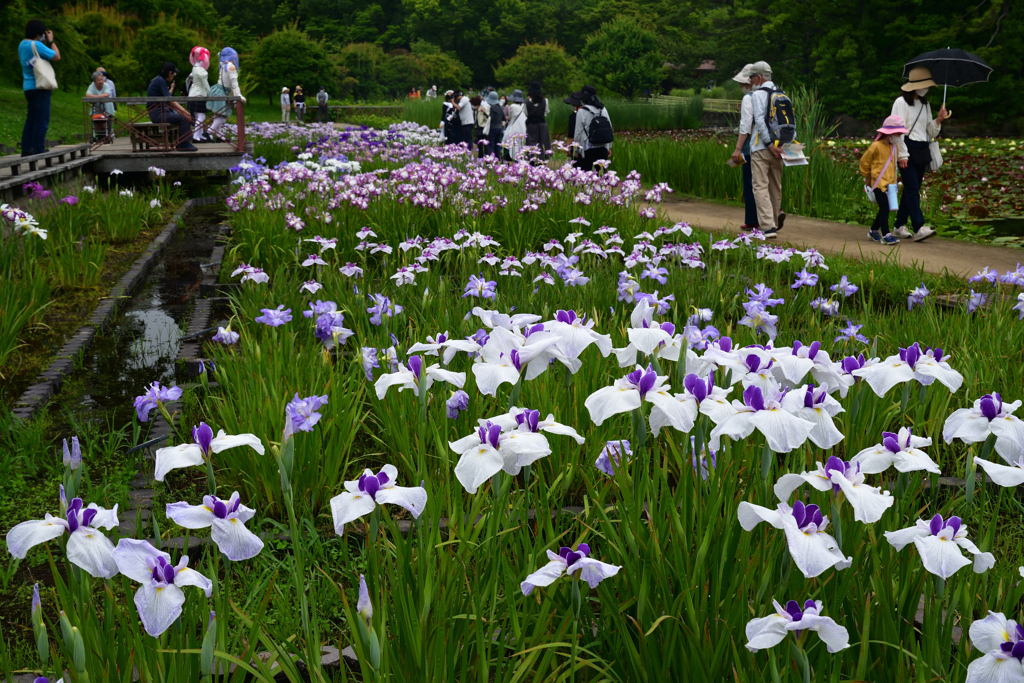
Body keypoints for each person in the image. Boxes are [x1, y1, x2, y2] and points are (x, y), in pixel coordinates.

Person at [890, 67, 949, 243]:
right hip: (906, 147)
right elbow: (896, 131)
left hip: (922, 149)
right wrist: (901, 156)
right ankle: (918, 227)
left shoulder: (925, 104)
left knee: (912, 189)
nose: (926, 89)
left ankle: (898, 226)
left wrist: (938, 119)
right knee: (912, 188)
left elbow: (930, 131)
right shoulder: (900, 102)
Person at [748, 61, 784, 238]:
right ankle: (775, 223)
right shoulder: (782, 94)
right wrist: (780, 146)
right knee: (775, 186)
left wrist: (769, 144)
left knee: (760, 186)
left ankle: (767, 227)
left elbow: (760, 122)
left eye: (752, 77)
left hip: (762, 148)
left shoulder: (757, 95)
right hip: (780, 147)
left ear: (759, 77)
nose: (751, 80)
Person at [860, 115, 908, 246]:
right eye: (898, 133)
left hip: (889, 184)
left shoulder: (894, 147)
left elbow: (893, 166)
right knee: (885, 207)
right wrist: (868, 177)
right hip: (878, 183)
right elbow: (864, 162)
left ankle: (873, 230)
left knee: (884, 208)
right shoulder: (876, 146)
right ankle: (886, 234)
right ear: (889, 134)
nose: (899, 136)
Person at [19, 20, 60, 157]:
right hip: (40, 86)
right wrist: (51, 41)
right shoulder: (36, 44)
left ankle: (26, 148)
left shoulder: (22, 44)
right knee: (41, 119)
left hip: (28, 87)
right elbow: (56, 56)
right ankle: (38, 148)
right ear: (39, 33)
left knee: (31, 118)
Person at [729, 64, 759, 230]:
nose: (741, 87)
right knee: (763, 183)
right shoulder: (768, 97)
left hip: (750, 148)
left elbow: (746, 126)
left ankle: (752, 220)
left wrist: (738, 148)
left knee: (750, 184)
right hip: (767, 147)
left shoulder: (749, 98)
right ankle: (773, 213)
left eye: (742, 84)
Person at [147, 62, 196, 152]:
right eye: (174, 74)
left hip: (161, 112)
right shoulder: (160, 81)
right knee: (183, 118)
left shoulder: (159, 80)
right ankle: (183, 144)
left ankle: (182, 142)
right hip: (158, 114)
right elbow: (170, 99)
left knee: (183, 116)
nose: (174, 76)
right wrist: (184, 111)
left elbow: (168, 100)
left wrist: (181, 111)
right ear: (170, 73)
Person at [208, 47, 244, 142]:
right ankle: (208, 132)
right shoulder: (231, 66)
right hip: (222, 93)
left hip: (217, 90)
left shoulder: (224, 65)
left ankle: (220, 136)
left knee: (217, 115)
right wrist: (239, 96)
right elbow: (234, 84)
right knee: (225, 116)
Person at [573, 85, 611, 171]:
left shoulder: (581, 111)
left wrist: (576, 149)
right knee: (601, 174)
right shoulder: (603, 109)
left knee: (586, 174)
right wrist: (609, 147)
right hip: (603, 145)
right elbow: (609, 128)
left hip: (587, 146)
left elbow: (578, 132)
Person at [187, 46, 211, 143]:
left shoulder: (195, 68)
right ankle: (196, 136)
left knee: (198, 117)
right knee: (201, 117)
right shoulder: (201, 70)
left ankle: (200, 135)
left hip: (192, 94)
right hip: (199, 95)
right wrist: (211, 94)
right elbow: (205, 84)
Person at [525, 81, 551, 161]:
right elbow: (546, 112)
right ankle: (542, 159)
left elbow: (526, 114)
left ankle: (532, 159)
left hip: (531, 124)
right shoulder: (545, 101)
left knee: (531, 142)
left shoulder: (527, 102)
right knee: (543, 141)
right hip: (542, 124)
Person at [502, 89, 527, 161]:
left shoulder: (512, 106)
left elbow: (510, 117)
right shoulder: (524, 105)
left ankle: (512, 159)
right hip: (523, 127)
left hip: (515, 127)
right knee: (521, 145)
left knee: (511, 143)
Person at [562, 91, 583, 163]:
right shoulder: (588, 113)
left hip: (577, 144)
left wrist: (570, 146)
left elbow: (571, 133)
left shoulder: (574, 115)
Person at [485, 90, 505, 157]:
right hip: (499, 128)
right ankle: (498, 159)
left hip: (492, 128)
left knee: (491, 145)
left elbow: (491, 119)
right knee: (497, 145)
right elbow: (503, 118)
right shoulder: (500, 107)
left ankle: (491, 159)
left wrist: (485, 114)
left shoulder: (492, 108)